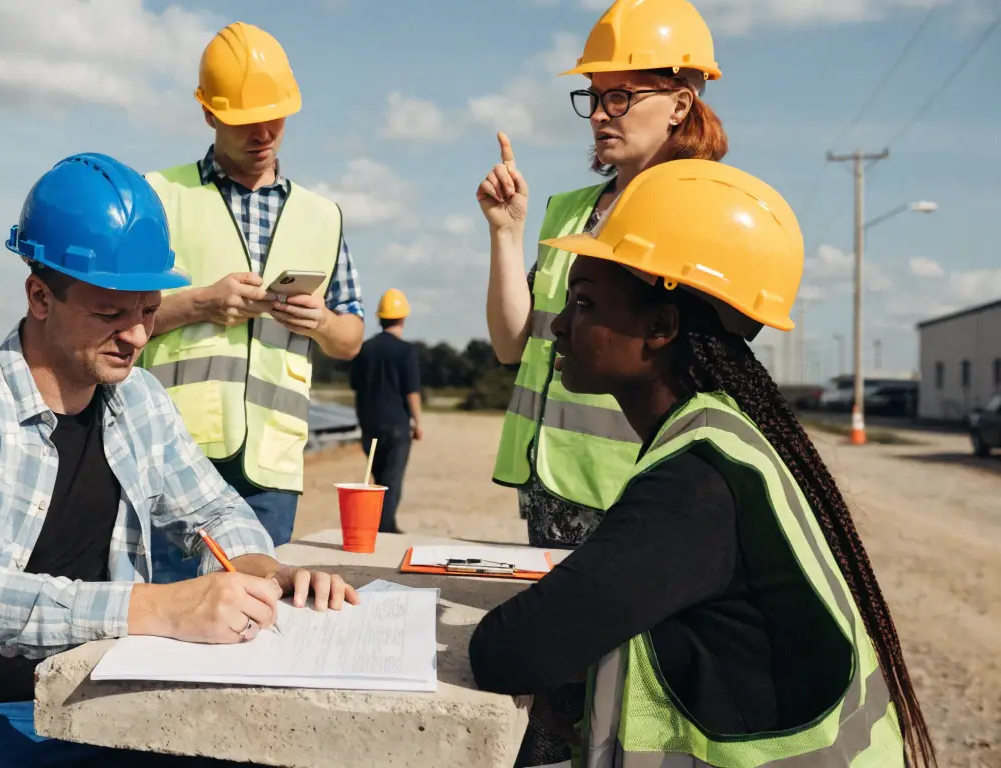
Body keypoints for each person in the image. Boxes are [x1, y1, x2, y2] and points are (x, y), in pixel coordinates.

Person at [0, 152, 359, 768]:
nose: (137, 336)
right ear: (40, 296)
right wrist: (163, 608)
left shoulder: (140, 400)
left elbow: (213, 509)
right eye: (110, 314)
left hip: (91, 690)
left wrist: (263, 570)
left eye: (148, 310)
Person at [467, 159, 935, 768]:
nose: (556, 324)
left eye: (583, 302)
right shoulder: (717, 432)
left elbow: (507, 650)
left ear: (661, 325)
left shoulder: (696, 484)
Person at [476, 0, 729, 761]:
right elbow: (512, 344)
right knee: (560, 695)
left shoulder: (698, 210)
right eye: (593, 96)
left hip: (631, 492)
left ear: (681, 101)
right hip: (549, 489)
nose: (599, 114)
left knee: (627, 694)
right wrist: (507, 233)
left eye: (621, 96)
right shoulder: (570, 211)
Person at [140, 21, 366, 583]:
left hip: (272, 469)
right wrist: (199, 304)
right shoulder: (159, 196)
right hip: (172, 457)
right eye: (245, 120)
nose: (264, 132)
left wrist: (321, 322)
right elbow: (112, 322)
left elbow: (350, 338)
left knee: (256, 615)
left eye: (276, 116)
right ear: (209, 113)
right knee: (170, 612)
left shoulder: (323, 216)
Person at [347, 288, 423, 534]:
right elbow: (412, 391)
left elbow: (355, 385)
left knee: (379, 479)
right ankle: (385, 528)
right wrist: (418, 422)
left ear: (380, 318)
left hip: (369, 424)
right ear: (403, 318)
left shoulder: (364, 349)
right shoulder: (406, 351)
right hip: (397, 425)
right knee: (392, 480)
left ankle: (378, 524)